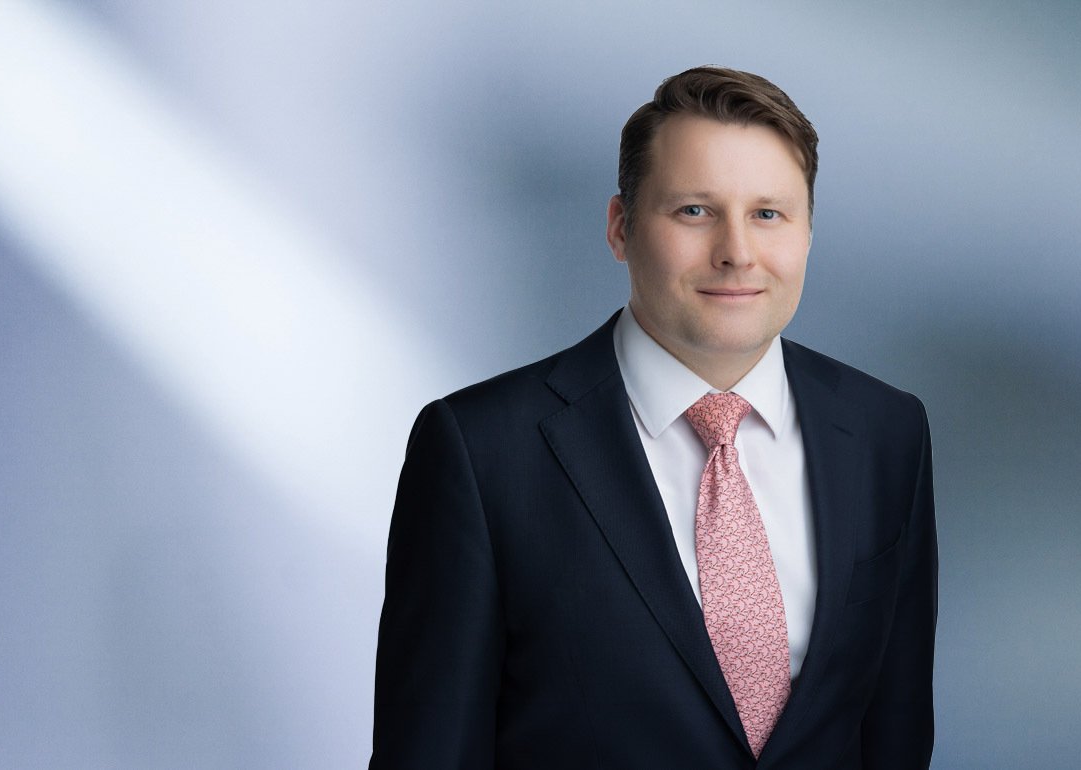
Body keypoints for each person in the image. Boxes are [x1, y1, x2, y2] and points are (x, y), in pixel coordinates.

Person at [371, 66, 936, 769]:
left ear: (808, 233)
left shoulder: (888, 435)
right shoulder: (481, 452)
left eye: (769, 214)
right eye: (695, 211)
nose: (737, 251)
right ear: (620, 227)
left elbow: (896, 738)